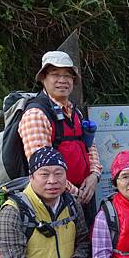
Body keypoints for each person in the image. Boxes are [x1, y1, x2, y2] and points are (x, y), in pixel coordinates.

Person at [18, 50, 103, 224]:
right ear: (43, 78)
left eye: (68, 76)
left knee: (84, 245)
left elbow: (89, 146)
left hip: (84, 193)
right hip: (54, 200)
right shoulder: (36, 114)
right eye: (55, 74)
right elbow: (41, 167)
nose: (62, 80)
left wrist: (94, 175)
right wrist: (76, 192)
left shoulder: (75, 112)